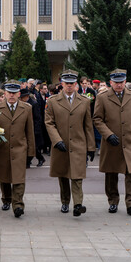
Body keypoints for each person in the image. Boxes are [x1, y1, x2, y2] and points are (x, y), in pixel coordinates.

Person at [93, 69, 131, 216]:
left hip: (130, 141)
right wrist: (107, 134)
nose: (119, 85)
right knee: (111, 173)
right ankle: (113, 201)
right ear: (111, 83)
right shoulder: (102, 97)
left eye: (121, 82)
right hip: (112, 142)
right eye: (116, 83)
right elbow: (97, 119)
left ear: (125, 82)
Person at [45, 70, 95, 216]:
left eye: (72, 84)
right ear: (62, 84)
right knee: (63, 175)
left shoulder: (85, 101)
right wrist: (56, 140)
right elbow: (49, 123)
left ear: (76, 84)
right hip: (61, 144)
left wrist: (91, 147)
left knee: (77, 176)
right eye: (66, 84)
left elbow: (88, 125)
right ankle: (65, 202)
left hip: (78, 144)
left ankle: (78, 204)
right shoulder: (53, 101)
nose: (69, 86)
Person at [0, 81, 35, 218]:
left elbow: (29, 131)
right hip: (2, 147)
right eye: (9, 92)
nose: (12, 95)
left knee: (19, 177)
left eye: (14, 93)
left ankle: (18, 204)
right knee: (4, 176)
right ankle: (6, 199)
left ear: (19, 94)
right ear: (5, 93)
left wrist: (31, 152)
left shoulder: (26, 108)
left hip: (20, 147)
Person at [19, 88, 45, 168]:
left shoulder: (33, 104)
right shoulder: (22, 104)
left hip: (33, 128)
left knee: (34, 147)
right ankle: (28, 161)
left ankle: (39, 159)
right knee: (28, 146)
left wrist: (36, 130)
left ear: (26, 97)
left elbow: (38, 118)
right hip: (25, 127)